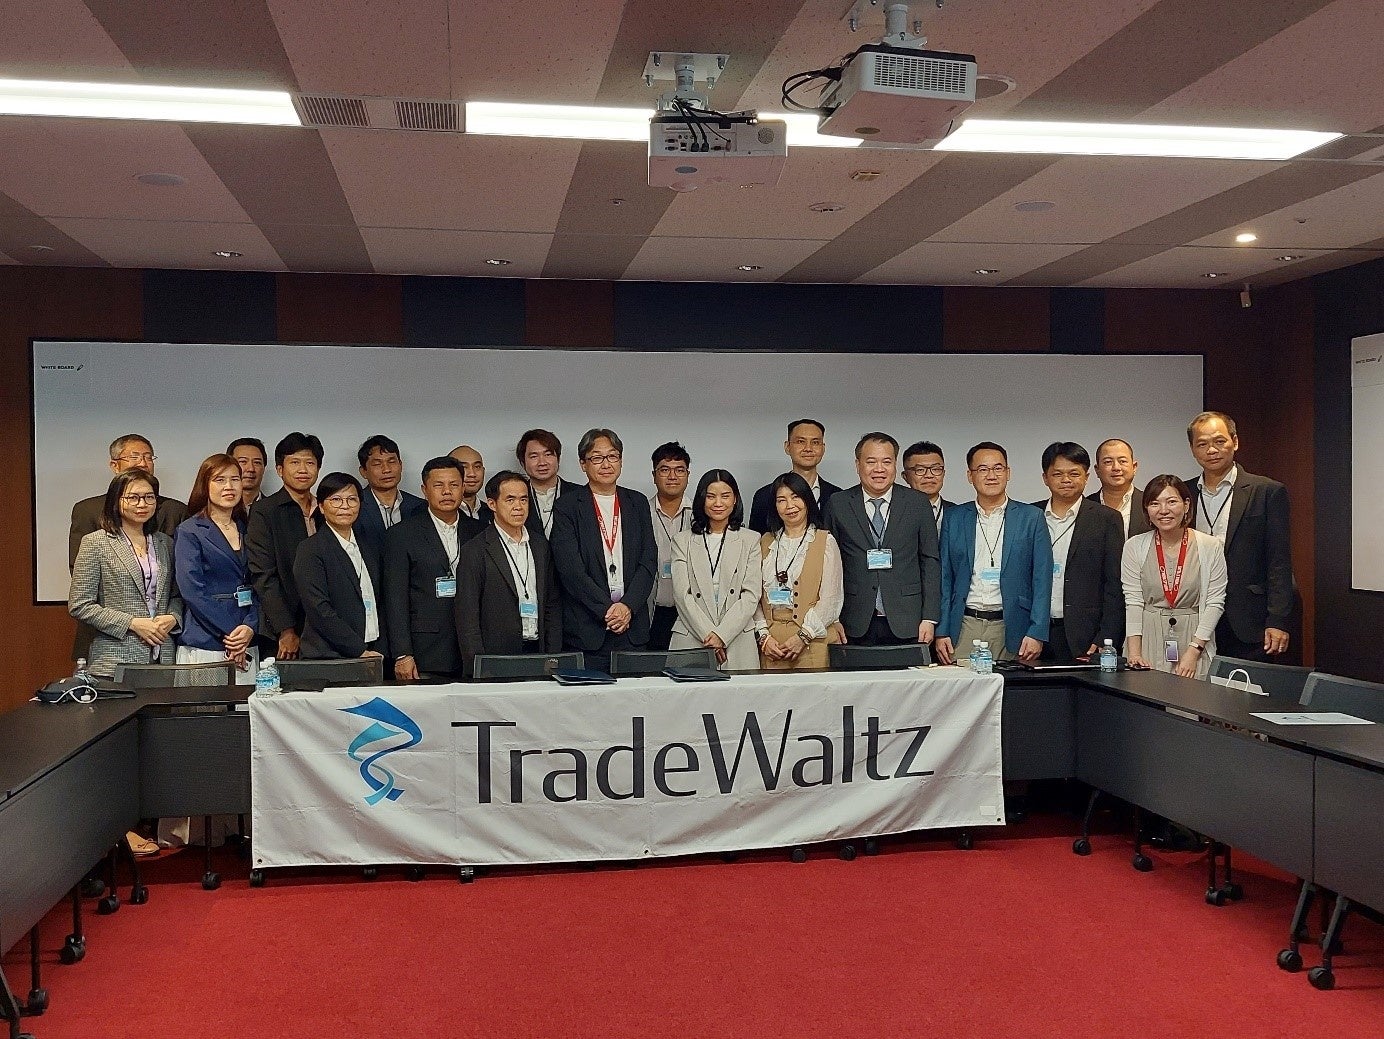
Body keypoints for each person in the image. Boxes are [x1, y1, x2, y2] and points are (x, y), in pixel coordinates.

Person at [1186, 411, 1294, 661]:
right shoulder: (1184, 492)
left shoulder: (1267, 491)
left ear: (1235, 442)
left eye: (1219, 441)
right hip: (1195, 614)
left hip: (1248, 619)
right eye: (1202, 444)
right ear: (1192, 450)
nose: (1211, 450)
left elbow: (1279, 560)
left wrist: (1277, 620)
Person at [68, 434, 186, 661]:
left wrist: (173, 617)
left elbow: (176, 594)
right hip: (114, 654)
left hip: (162, 653)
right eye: (133, 498)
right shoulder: (96, 542)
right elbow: (80, 604)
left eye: (149, 497)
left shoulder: (165, 543)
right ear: (117, 500)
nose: (142, 504)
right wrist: (132, 623)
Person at [550, 428, 658, 673]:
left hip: (632, 629)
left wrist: (627, 607)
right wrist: (607, 610)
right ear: (583, 464)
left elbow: (648, 560)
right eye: (597, 458)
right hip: (588, 630)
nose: (606, 464)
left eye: (612, 456)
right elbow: (571, 570)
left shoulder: (637, 502)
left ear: (620, 460)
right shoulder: (567, 506)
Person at [935, 442, 1052, 664]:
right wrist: (941, 630)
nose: (991, 475)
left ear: (1008, 473)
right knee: (961, 685)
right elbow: (944, 578)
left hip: (1014, 627)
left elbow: (1042, 578)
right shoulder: (954, 517)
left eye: (998, 468)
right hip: (964, 625)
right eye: (983, 469)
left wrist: (1037, 632)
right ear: (970, 476)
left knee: (1011, 686)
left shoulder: (1031, 517)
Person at [824, 432, 941, 648]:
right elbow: (829, 566)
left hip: (909, 619)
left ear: (895, 465)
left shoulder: (917, 503)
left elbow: (930, 561)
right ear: (857, 465)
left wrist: (929, 617)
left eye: (886, 462)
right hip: (853, 620)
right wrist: (833, 618)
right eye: (871, 462)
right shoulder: (838, 503)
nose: (879, 469)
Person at [382, 456, 484, 680]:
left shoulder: (480, 531)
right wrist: (402, 653)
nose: (447, 492)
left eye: (454, 485)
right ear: (424, 490)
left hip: (474, 649)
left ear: (463, 488)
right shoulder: (402, 535)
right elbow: (395, 599)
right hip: (426, 651)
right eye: (439, 485)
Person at [456, 470, 563, 676]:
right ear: (492, 504)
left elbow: (552, 604)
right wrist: (478, 666)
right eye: (510, 499)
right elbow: (467, 617)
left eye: (524, 499)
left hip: (539, 651)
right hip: (496, 657)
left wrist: (553, 656)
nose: (518, 507)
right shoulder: (475, 550)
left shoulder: (540, 545)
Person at [1122, 475, 1228, 679]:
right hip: (1148, 635)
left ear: (1186, 505)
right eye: (1155, 504)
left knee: (1191, 697)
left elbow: (1215, 602)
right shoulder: (1134, 546)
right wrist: (1134, 653)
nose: (1163, 510)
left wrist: (1194, 651)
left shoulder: (1210, 546)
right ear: (1147, 509)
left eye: (1171, 502)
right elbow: (1133, 601)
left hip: (1194, 637)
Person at [1035, 442, 1124, 664]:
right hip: (1034, 633)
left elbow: (1114, 584)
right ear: (1045, 478)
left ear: (1086, 477)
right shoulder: (1030, 515)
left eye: (1074, 473)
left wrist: (1107, 635)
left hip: (1085, 634)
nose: (1066, 479)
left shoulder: (1107, 519)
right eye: (1057, 474)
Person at [174, 454, 259, 681]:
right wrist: (232, 634)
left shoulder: (248, 528)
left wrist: (250, 626)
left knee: (248, 703)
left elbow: (259, 583)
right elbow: (192, 591)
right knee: (208, 704)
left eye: (235, 479)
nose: (229, 487)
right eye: (220, 480)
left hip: (247, 637)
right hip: (207, 638)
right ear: (205, 485)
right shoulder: (190, 530)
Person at [669, 469, 762, 670]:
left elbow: (751, 595)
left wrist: (722, 635)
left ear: (735, 499)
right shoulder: (682, 541)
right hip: (692, 637)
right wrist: (708, 635)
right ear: (701, 500)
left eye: (725, 496)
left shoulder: (751, 540)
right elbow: (682, 595)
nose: (718, 503)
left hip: (737, 638)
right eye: (711, 496)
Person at [292, 473, 387, 661]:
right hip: (330, 655)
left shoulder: (370, 545)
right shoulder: (311, 549)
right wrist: (358, 650)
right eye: (336, 500)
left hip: (373, 648)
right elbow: (319, 609)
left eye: (352, 499)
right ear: (321, 506)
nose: (345, 506)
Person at [246, 432, 323, 661]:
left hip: (325, 625)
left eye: (310, 463)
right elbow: (263, 575)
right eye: (295, 462)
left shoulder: (326, 509)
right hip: (284, 630)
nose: (303, 469)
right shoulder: (265, 511)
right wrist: (286, 629)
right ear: (280, 470)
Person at [755, 472, 844, 669]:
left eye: (795, 497)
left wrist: (803, 636)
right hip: (772, 645)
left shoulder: (825, 541)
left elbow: (831, 599)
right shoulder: (764, 542)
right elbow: (754, 596)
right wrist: (764, 636)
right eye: (781, 500)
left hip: (814, 640)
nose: (790, 506)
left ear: (807, 500)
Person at [748, 420, 842, 533]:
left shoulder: (838, 497)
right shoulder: (764, 496)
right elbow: (757, 540)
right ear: (787, 447)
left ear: (823, 448)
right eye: (801, 441)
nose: (808, 448)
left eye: (815, 442)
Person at [647, 442, 693, 652]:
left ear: (688, 475)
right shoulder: (640, 512)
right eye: (665, 470)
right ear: (654, 475)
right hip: (651, 611)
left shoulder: (701, 515)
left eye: (679, 470)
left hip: (691, 614)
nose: (672, 476)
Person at [354, 434, 426, 566]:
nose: (386, 469)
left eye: (392, 461)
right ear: (363, 471)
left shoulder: (420, 506)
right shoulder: (354, 507)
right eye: (377, 464)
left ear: (401, 465)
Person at [516, 428, 578, 540]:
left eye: (548, 454)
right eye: (534, 456)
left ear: (558, 458)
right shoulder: (514, 497)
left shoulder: (579, 494)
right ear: (522, 463)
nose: (542, 462)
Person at [1089, 438, 1151, 538]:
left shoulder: (1150, 503)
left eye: (1122, 461)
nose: (1116, 468)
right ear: (1097, 470)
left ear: (1134, 467)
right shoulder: (1085, 507)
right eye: (1108, 462)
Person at [902, 440, 954, 538]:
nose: (929, 475)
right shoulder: (895, 512)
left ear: (943, 473)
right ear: (905, 477)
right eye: (920, 470)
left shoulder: (957, 513)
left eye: (936, 469)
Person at [449, 445, 490, 522]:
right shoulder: (438, 512)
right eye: (464, 467)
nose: (472, 474)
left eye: (477, 467)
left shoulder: (493, 512)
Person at [227, 437, 268, 509]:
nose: (251, 469)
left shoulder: (275, 510)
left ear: (264, 468)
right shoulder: (214, 510)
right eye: (243, 461)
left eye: (257, 462)